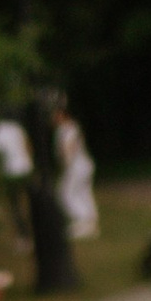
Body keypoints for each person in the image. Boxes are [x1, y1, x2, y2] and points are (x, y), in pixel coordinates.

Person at [0, 116, 35, 244]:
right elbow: (28, 145)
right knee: (30, 202)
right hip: (25, 168)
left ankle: (24, 236)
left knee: (15, 206)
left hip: (11, 172)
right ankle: (36, 232)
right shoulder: (17, 127)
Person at [53, 99, 99, 241]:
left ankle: (83, 221)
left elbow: (69, 148)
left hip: (76, 167)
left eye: (55, 114)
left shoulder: (67, 128)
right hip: (83, 165)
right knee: (83, 193)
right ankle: (91, 222)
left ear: (62, 114)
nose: (53, 118)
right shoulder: (72, 127)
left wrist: (66, 164)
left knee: (64, 194)